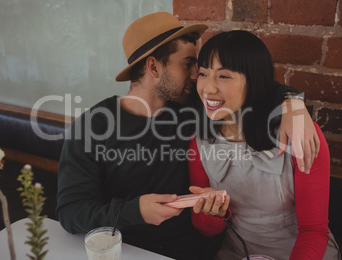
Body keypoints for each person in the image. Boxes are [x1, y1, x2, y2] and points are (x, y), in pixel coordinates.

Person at [56, 13, 319, 260]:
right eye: (189, 64)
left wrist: (292, 102)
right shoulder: (93, 127)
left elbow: (251, 84)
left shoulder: (194, 108)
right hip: (129, 248)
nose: (197, 76)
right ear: (154, 67)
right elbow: (70, 212)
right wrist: (132, 211)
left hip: (196, 249)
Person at [188, 30, 341, 260]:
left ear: (253, 79)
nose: (208, 88)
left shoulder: (298, 132)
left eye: (224, 76)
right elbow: (204, 228)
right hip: (236, 254)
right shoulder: (199, 141)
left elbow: (314, 231)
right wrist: (213, 212)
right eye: (203, 73)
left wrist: (293, 102)